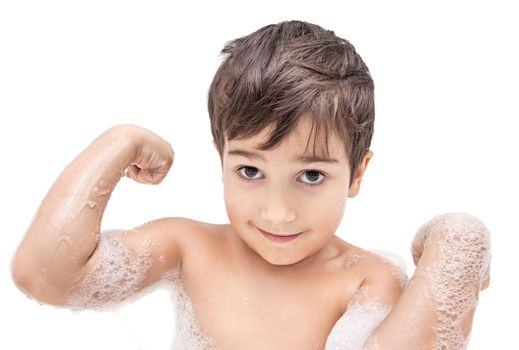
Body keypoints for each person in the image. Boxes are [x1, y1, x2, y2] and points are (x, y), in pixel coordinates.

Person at [10, 20, 490, 349]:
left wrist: (458, 245)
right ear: (221, 161)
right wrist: (117, 143)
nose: (277, 212)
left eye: (311, 175)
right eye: (250, 171)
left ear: (356, 175)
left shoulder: (363, 280)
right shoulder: (188, 247)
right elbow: (45, 276)